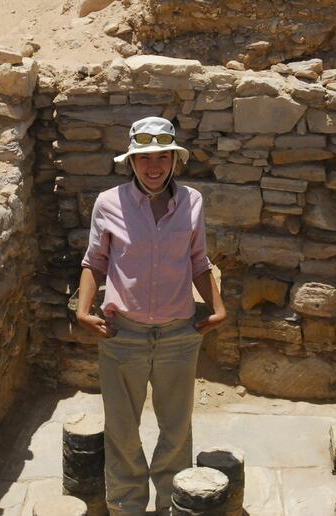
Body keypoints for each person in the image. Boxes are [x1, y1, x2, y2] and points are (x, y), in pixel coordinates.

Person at [75, 116, 227, 515]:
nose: (154, 166)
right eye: (145, 158)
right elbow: (96, 260)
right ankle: (127, 507)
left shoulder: (192, 202)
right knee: (123, 432)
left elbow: (199, 260)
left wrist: (218, 306)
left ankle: (170, 507)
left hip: (179, 334)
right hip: (122, 334)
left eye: (163, 157)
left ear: (175, 160)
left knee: (176, 431)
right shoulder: (109, 203)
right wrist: (83, 309)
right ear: (131, 161)